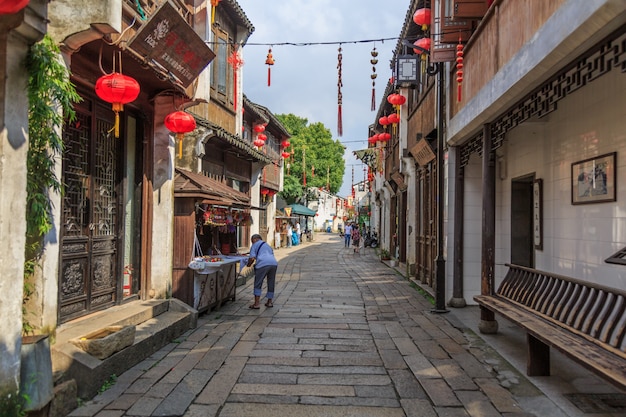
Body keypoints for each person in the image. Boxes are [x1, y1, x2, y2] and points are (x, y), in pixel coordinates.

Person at [246, 234, 278, 309]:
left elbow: (252, 258)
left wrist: (248, 265)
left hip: (262, 264)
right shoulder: (267, 245)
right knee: (271, 282)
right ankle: (269, 302)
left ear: (254, 239)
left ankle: (256, 303)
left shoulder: (254, 245)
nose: (252, 242)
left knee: (258, 282)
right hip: (273, 263)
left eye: (252, 241)